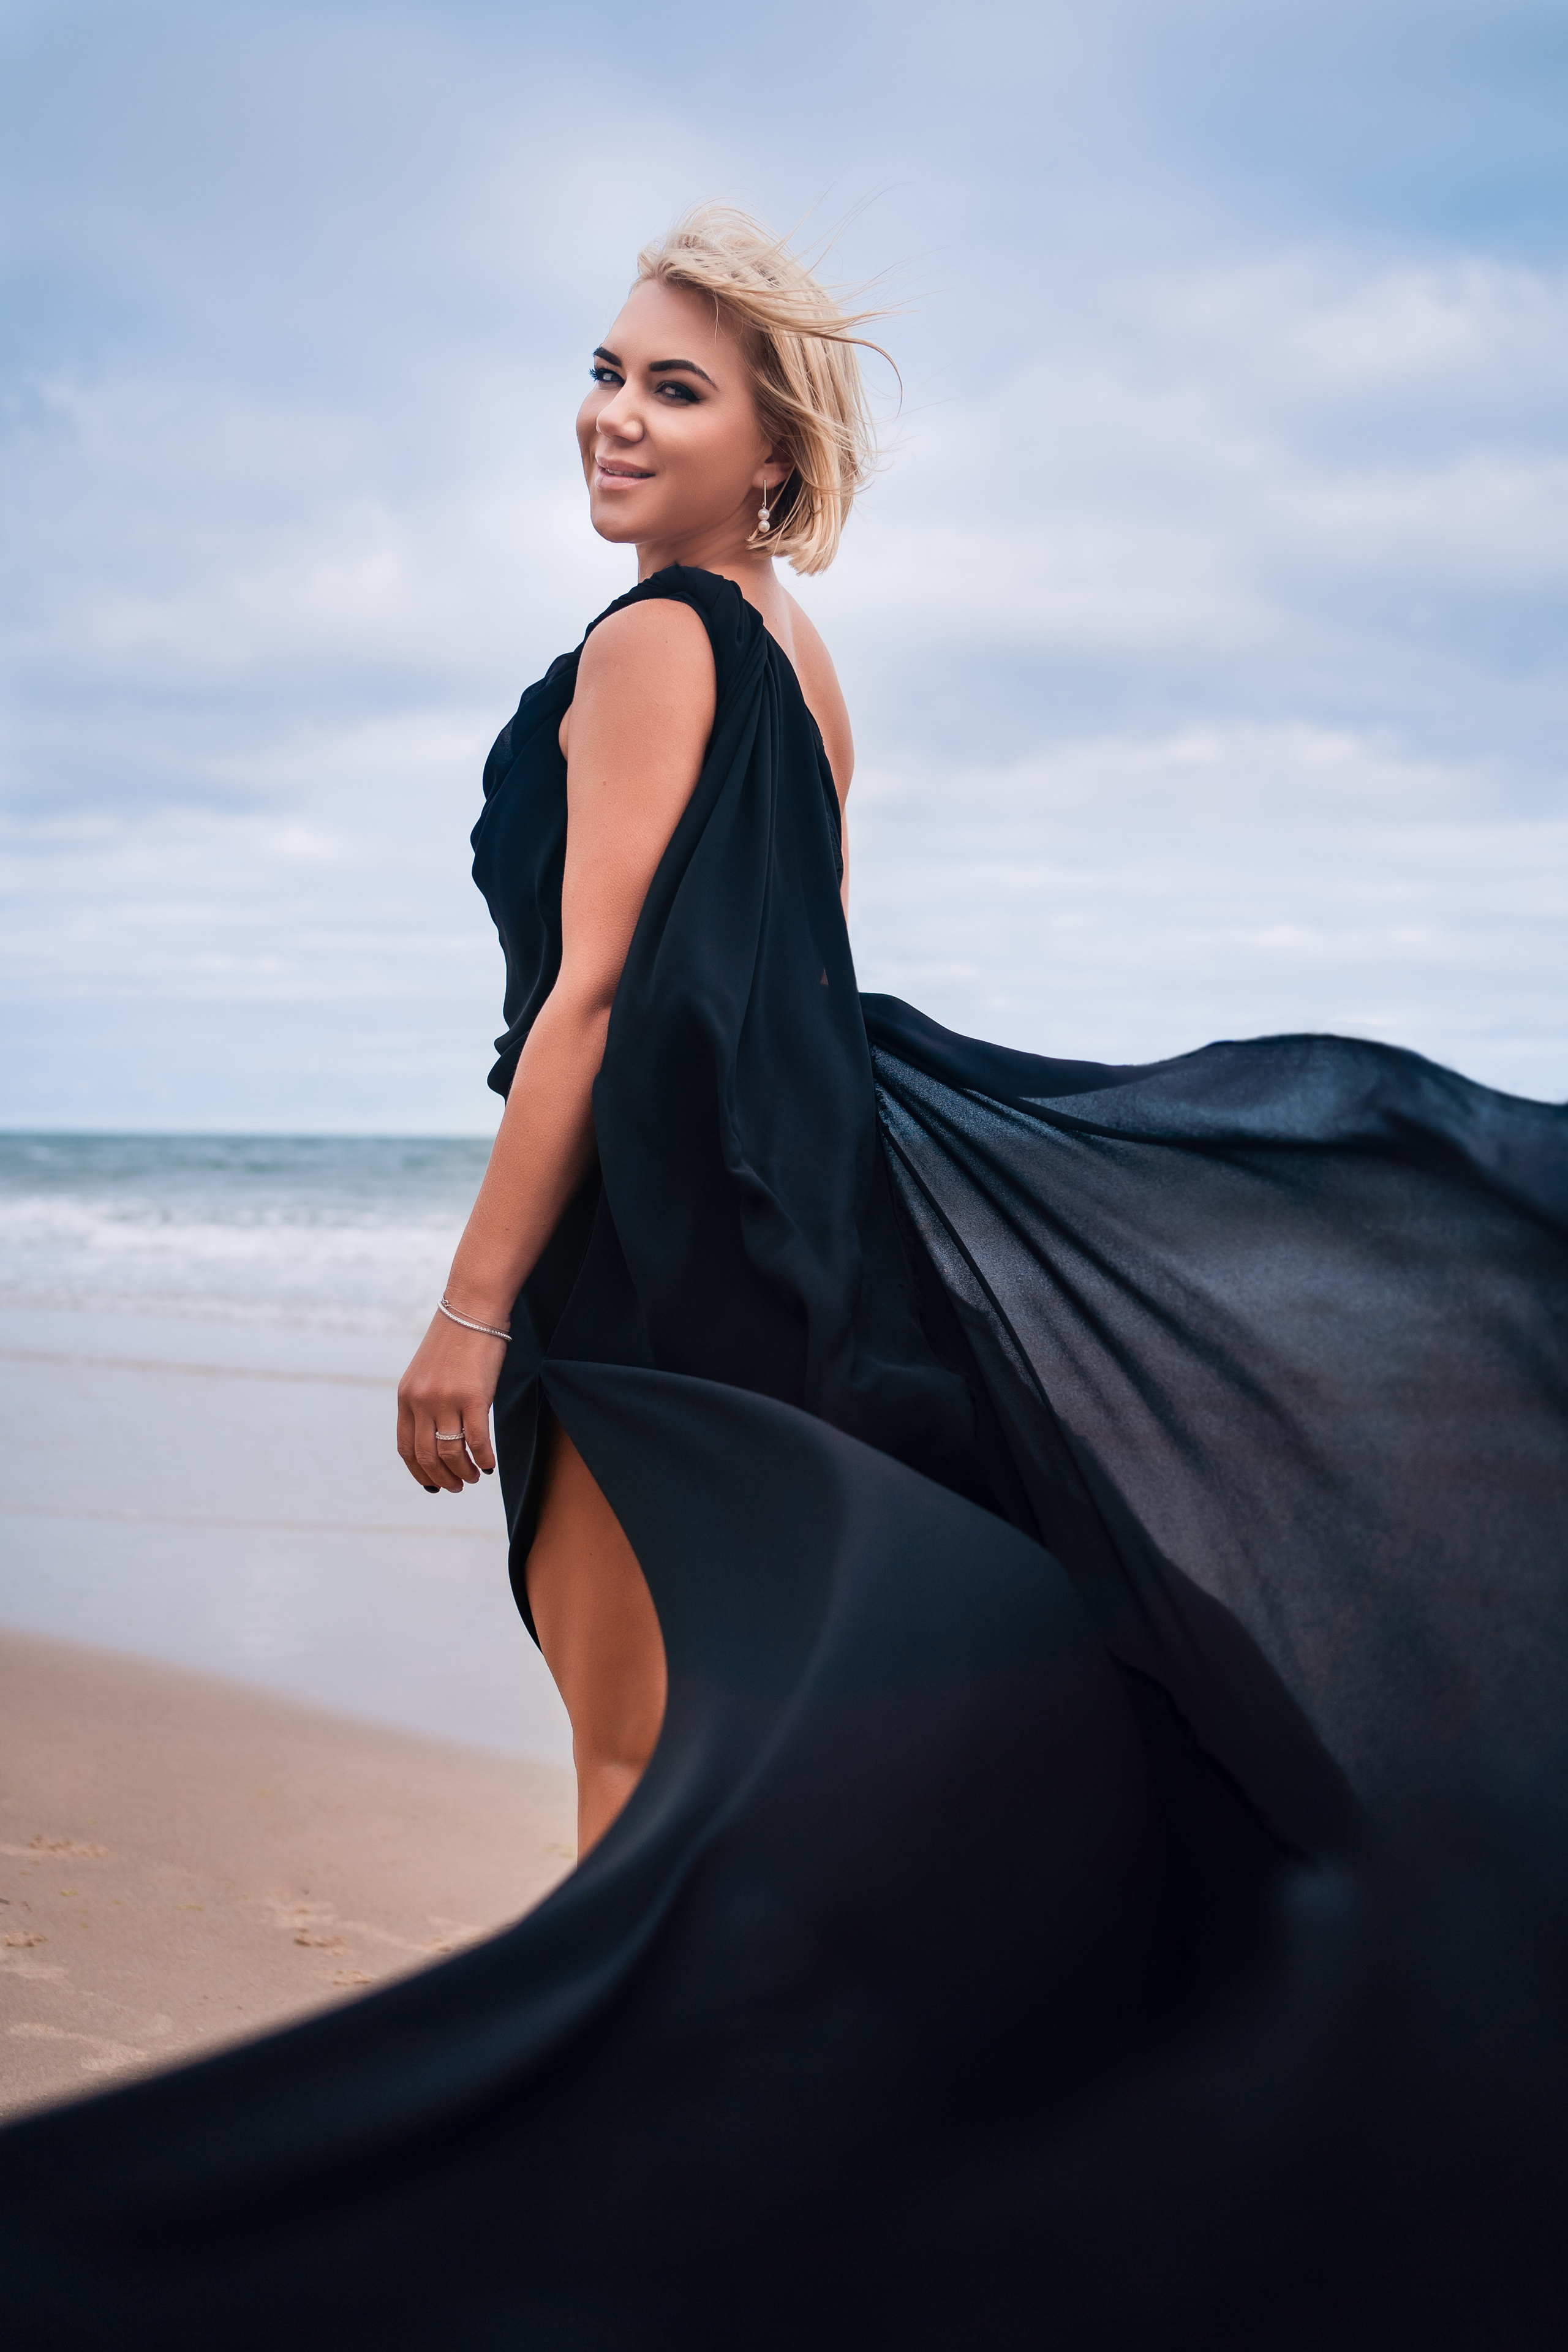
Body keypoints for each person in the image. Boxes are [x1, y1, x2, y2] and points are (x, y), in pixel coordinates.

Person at [4, 204, 1566, 2351]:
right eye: (608, 368)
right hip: (798, 1262)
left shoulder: (652, 646)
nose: (613, 416)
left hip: (656, 1291)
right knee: (750, 1821)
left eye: (676, 387)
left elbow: (600, 1004)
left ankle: (629, 2257)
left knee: (640, 1817)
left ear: (772, 451)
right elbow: (792, 981)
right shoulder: (797, 659)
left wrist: (470, 1313)